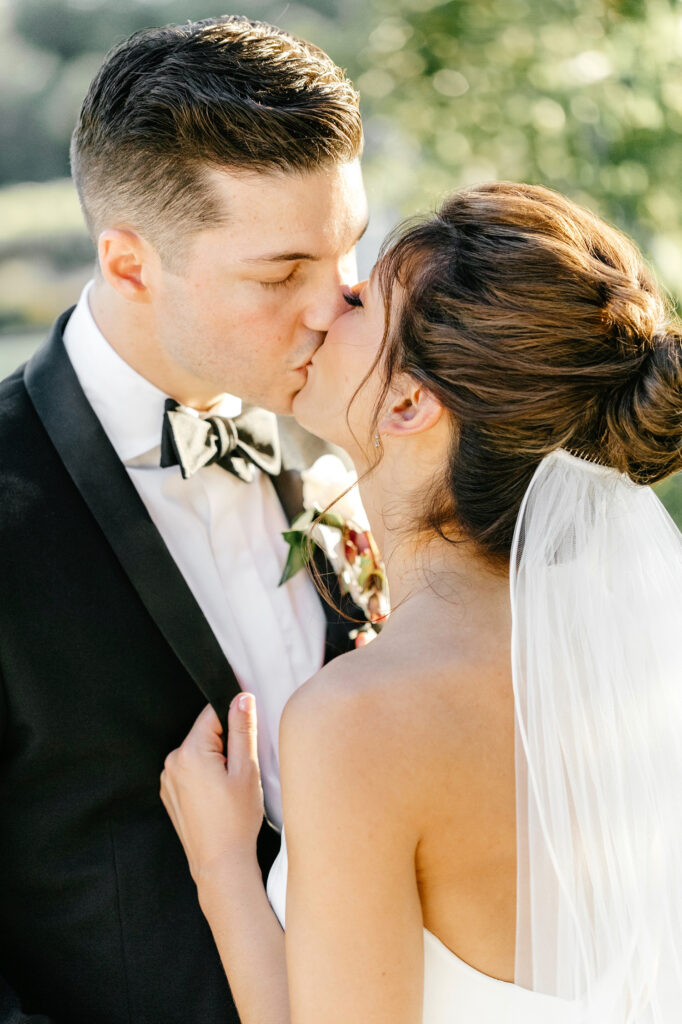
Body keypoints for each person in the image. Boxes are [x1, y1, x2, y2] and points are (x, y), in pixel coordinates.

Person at [162, 182, 682, 1023]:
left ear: (408, 403)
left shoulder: (365, 719)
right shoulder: (637, 666)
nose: (329, 303)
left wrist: (223, 868)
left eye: (362, 295)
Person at [0, 16, 369, 1024]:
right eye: (279, 271)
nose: (336, 306)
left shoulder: (356, 433)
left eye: (349, 250)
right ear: (128, 265)